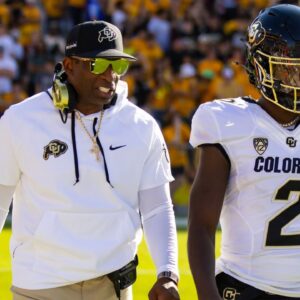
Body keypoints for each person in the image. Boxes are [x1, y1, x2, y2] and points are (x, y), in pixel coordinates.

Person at [0, 20, 180, 300]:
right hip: (40, 285)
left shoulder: (142, 126)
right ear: (69, 65)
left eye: (117, 65)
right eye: (98, 65)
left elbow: (157, 207)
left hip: (113, 287)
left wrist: (167, 272)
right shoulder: (20, 120)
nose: (110, 75)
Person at [188, 4, 300, 300]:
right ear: (263, 66)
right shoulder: (229, 122)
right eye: (291, 70)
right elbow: (201, 225)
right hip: (246, 286)